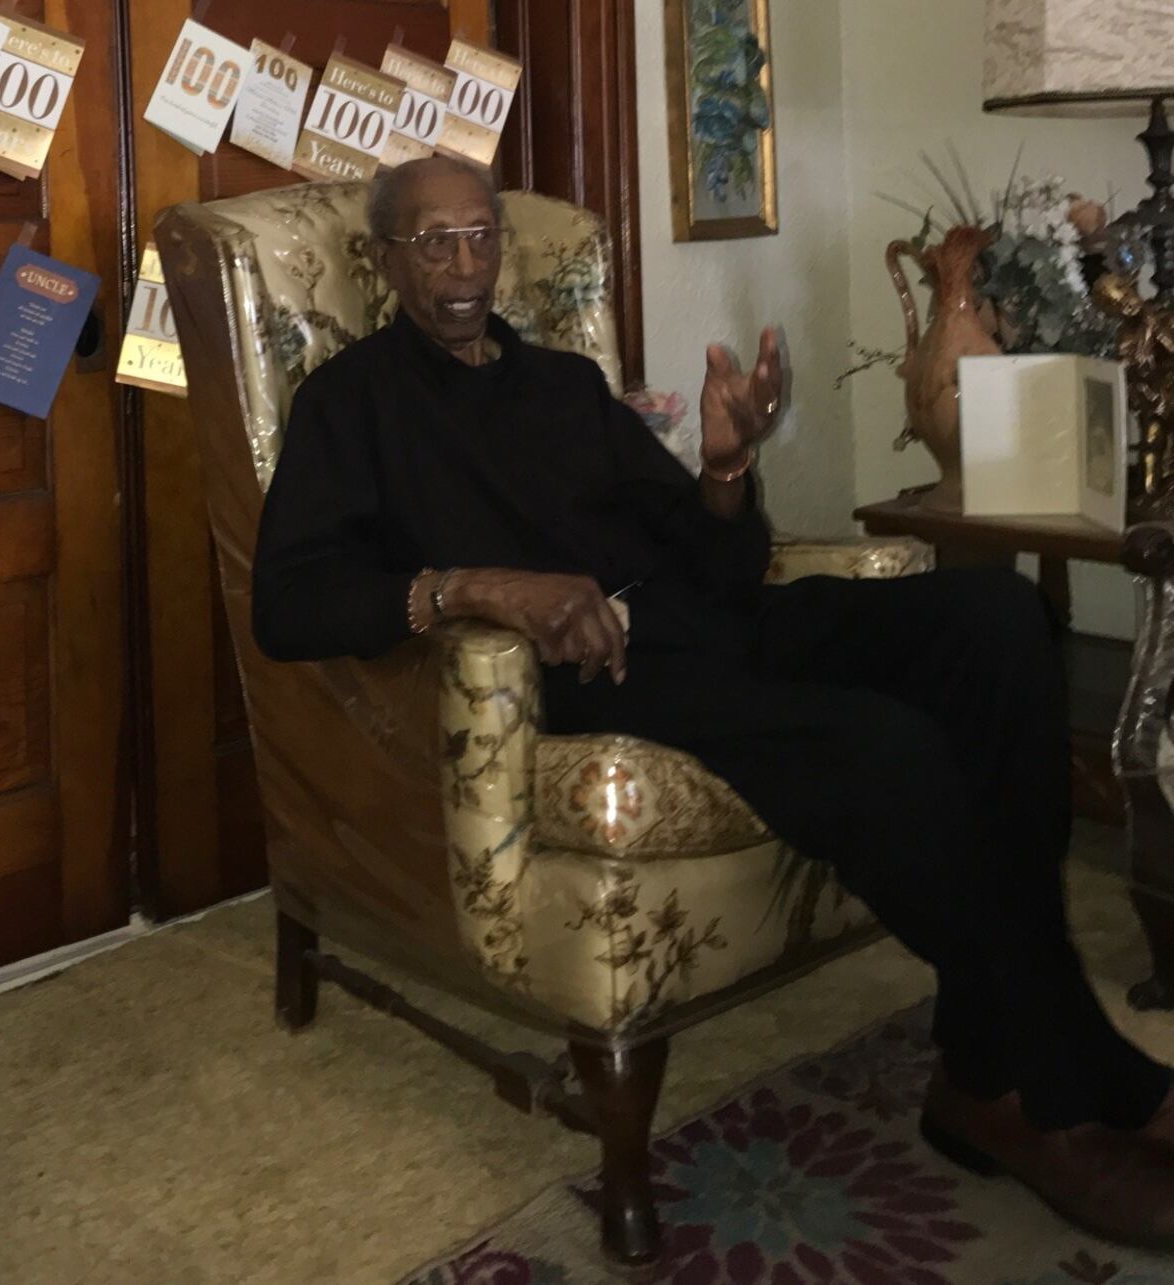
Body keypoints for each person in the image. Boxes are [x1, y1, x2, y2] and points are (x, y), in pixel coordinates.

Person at [252, 153, 1174, 1252]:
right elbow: (289, 604)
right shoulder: (348, 406)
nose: (463, 265)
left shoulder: (561, 387)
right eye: (432, 241)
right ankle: (1056, 1093)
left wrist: (726, 472)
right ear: (384, 257)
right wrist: (476, 586)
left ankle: (987, 1068)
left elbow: (714, 567)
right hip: (591, 680)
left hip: (705, 631)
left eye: (479, 235)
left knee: (996, 623)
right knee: (884, 748)